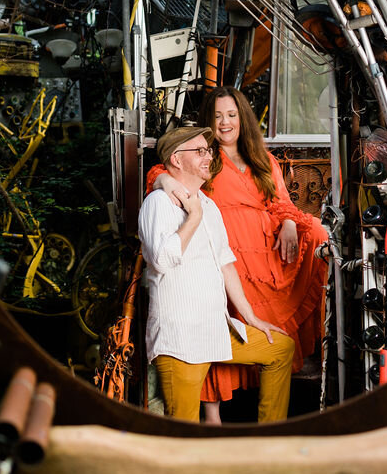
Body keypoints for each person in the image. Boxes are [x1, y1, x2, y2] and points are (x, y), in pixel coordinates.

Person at [148, 87, 328, 424]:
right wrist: (165, 183)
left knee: (317, 233)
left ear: (242, 118)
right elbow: (163, 171)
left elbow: (281, 203)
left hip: (264, 248)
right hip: (230, 249)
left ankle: (275, 402)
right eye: (217, 116)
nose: (225, 122)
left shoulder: (262, 158)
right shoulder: (205, 156)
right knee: (217, 318)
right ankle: (212, 412)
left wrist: (289, 222)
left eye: (231, 115)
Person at [139, 126, 295, 423]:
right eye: (199, 151)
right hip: (181, 340)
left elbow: (225, 262)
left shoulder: (208, 205)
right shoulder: (157, 203)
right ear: (176, 159)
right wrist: (193, 218)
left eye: (207, 150)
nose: (208, 156)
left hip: (216, 329)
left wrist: (251, 318)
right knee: (183, 432)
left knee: (281, 348)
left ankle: (269, 441)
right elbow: (161, 259)